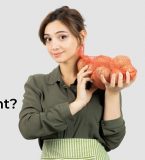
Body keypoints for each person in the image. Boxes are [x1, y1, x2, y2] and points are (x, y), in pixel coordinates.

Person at [18, 6, 134, 159]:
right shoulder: (38, 83)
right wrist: (76, 104)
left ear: (82, 36)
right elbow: (27, 128)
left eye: (62, 37)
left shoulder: (102, 82)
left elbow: (113, 140)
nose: (54, 46)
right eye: (48, 39)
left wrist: (112, 93)